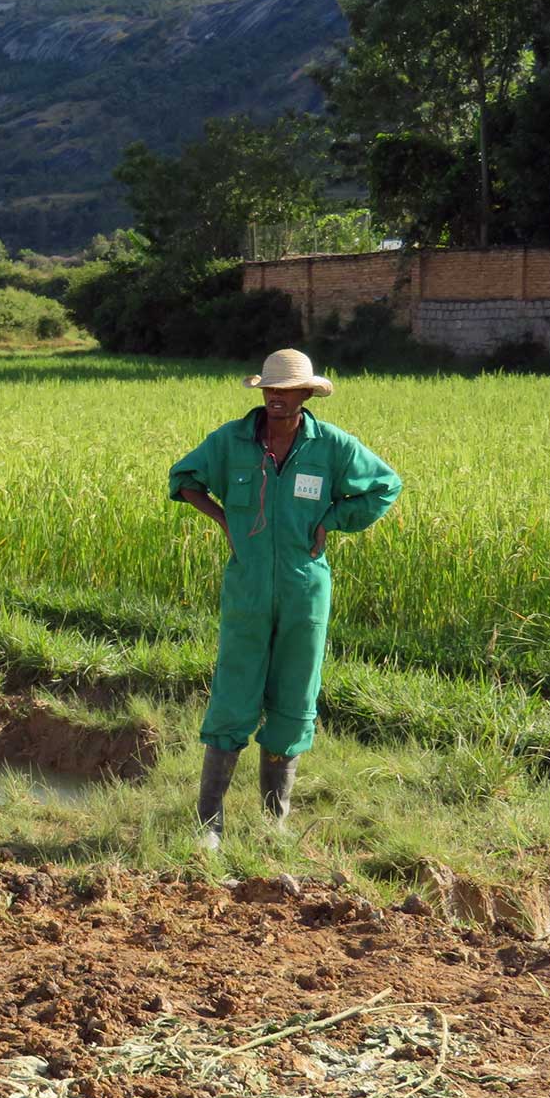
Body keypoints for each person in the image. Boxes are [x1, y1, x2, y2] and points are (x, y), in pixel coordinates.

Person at [168, 349, 402, 847]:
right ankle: (209, 823)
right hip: (248, 588)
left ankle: (274, 823)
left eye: (286, 389)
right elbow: (184, 478)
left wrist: (331, 520)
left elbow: (384, 486)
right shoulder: (232, 441)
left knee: (295, 698)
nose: (276, 396)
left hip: (304, 588)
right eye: (270, 388)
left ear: (306, 394)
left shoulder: (331, 446)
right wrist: (225, 519)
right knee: (234, 692)